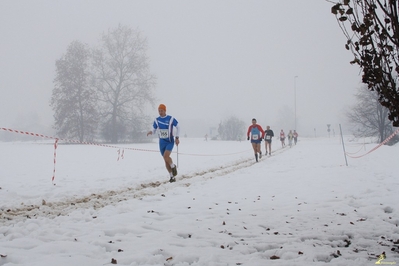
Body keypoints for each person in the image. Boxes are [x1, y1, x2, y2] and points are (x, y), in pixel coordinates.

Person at [147, 104, 180, 183]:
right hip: (162, 142)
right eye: (159, 111)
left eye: (161, 111)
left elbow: (178, 126)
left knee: (166, 156)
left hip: (169, 141)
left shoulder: (170, 118)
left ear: (165, 111)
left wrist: (177, 137)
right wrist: (151, 131)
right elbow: (154, 128)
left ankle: (173, 166)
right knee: (165, 160)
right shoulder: (157, 120)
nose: (160, 112)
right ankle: (172, 176)